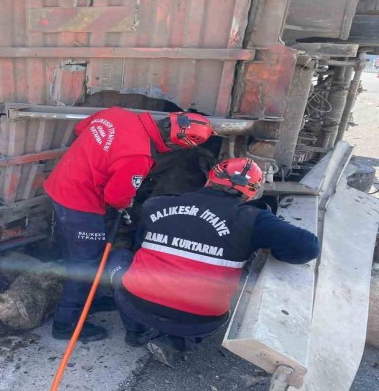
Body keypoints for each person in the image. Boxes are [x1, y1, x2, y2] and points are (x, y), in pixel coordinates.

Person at [106, 157, 320, 367]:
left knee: (121, 256)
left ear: (209, 179)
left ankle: (136, 331)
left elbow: (140, 246)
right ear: (251, 194)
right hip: (199, 320)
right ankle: (176, 343)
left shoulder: (156, 204)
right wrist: (275, 251)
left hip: (135, 304)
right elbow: (307, 248)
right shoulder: (253, 219)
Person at [44, 107, 214, 342]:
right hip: (81, 205)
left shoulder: (116, 114)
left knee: (74, 254)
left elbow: (80, 129)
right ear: (175, 144)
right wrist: (127, 201)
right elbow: (116, 197)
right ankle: (66, 324)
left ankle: (89, 301)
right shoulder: (139, 156)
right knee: (88, 265)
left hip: (60, 186)